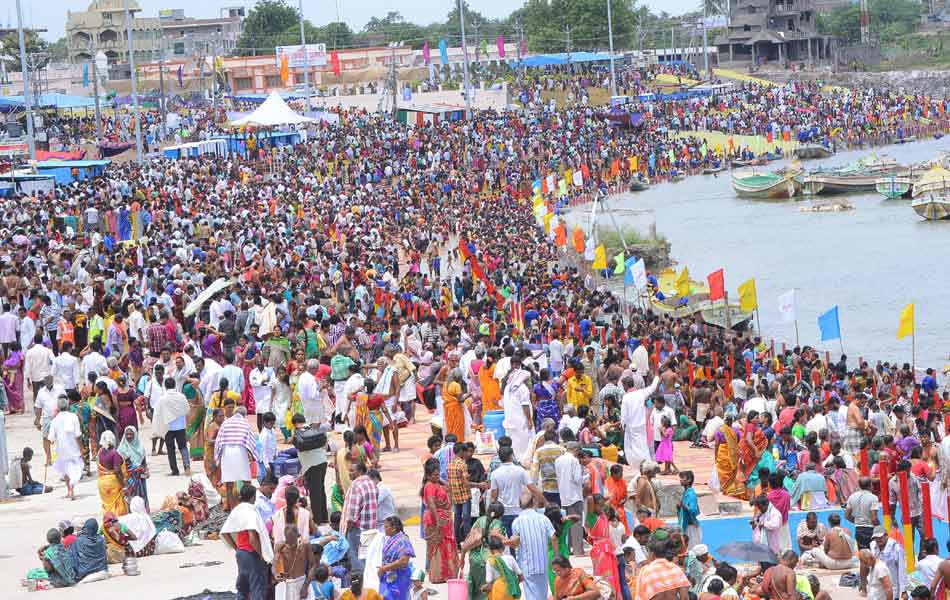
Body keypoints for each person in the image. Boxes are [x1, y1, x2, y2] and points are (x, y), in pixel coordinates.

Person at [220, 484, 274, 600]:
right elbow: (252, 539)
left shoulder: (237, 510)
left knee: (242, 587)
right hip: (251, 554)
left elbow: (224, 532)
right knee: (257, 587)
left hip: (241, 553)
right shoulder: (251, 512)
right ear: (253, 497)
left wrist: (236, 547)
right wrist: (262, 555)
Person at [509, 491, 556, 600]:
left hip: (526, 564)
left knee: (531, 594)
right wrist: (556, 556)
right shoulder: (543, 518)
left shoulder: (517, 522)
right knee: (542, 592)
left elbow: (515, 542)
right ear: (533, 502)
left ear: (520, 505)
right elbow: (553, 537)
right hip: (543, 563)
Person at [420, 457, 459, 584]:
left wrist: (439, 479)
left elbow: (449, 488)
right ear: (428, 475)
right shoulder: (429, 486)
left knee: (447, 545)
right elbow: (431, 504)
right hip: (436, 520)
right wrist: (438, 522)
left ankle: (449, 572)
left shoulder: (437, 483)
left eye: (438, 474)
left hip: (445, 519)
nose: (437, 476)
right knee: (438, 547)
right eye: (435, 475)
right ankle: (439, 575)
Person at [461, 501, 507, 600]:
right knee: (486, 591)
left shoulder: (480, 520)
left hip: (474, 558)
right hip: (487, 559)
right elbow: (496, 541)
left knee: (475, 589)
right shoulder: (497, 523)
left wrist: (463, 557)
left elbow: (469, 538)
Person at [216, 407, 259, 511]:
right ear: (244, 415)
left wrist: (217, 458)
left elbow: (219, 441)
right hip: (240, 453)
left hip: (227, 454)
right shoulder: (245, 424)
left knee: (229, 484)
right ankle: (249, 507)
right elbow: (251, 441)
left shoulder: (225, 423)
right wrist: (254, 456)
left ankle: (232, 509)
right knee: (246, 481)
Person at [490, 445, 538, 536]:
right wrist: (544, 502)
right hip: (518, 511)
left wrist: (491, 515)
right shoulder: (520, 471)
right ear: (511, 456)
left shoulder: (495, 474)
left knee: (507, 541)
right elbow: (533, 489)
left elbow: (494, 496)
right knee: (519, 540)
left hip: (503, 512)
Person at [292, 413, 330, 523]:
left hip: (311, 466)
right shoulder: (314, 429)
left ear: (295, 424)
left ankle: (317, 520)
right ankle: (324, 517)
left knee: (314, 493)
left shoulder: (297, 434)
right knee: (321, 490)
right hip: (322, 462)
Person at [343, 460, 378, 573]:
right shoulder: (371, 483)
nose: (349, 473)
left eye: (352, 471)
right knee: (368, 557)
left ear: (359, 471)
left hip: (357, 529)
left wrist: (345, 532)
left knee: (357, 559)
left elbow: (352, 515)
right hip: (371, 527)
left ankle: (361, 584)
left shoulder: (356, 486)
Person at [47, 395, 83, 500]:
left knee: (66, 469)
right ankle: (71, 489)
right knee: (72, 468)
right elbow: (78, 435)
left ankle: (69, 490)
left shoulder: (55, 420)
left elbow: (51, 438)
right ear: (68, 406)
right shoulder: (73, 416)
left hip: (61, 448)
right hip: (73, 447)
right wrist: (81, 448)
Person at [155, 377, 191, 477]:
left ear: (165, 386)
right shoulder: (181, 396)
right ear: (174, 385)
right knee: (183, 447)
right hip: (180, 426)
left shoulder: (162, 398)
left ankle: (175, 470)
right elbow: (187, 409)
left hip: (168, 427)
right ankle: (187, 466)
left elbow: (158, 414)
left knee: (170, 449)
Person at [555, 442, 585, 557]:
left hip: (563, 495)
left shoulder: (558, 460)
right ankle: (578, 551)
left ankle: (567, 549)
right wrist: (587, 477)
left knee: (566, 524)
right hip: (574, 496)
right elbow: (577, 479)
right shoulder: (574, 460)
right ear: (575, 450)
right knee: (576, 523)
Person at [378, 516, 415, 600]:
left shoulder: (403, 540)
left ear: (394, 528)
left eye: (386, 527)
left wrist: (385, 568)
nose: (384, 529)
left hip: (399, 578)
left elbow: (404, 561)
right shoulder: (390, 539)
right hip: (388, 577)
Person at [273, 523, 314, 600]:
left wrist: (305, 585)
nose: (290, 544)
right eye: (288, 541)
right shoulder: (280, 546)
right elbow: (274, 564)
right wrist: (276, 574)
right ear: (285, 537)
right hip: (287, 584)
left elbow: (312, 566)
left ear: (298, 536)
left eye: (293, 541)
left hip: (302, 582)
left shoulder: (305, 545)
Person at [872, 526, 909, 600]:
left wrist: (904, 590)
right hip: (878, 588)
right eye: (876, 537)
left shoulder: (896, 548)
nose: (878, 539)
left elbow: (902, 570)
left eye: (880, 537)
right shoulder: (873, 546)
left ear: (886, 535)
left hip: (892, 588)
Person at [66, 518, 109, 583]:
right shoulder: (102, 540)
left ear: (86, 528)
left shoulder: (78, 541)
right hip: (102, 569)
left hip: (85, 572)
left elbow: (73, 559)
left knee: (71, 553)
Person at [117, 425, 149, 510]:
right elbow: (118, 466)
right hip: (128, 479)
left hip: (140, 478)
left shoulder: (140, 448)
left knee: (141, 496)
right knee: (130, 498)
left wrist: (146, 471)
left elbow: (144, 463)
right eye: (127, 434)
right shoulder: (121, 449)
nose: (129, 436)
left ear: (135, 435)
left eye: (131, 434)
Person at [97, 430, 129, 515]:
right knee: (117, 505)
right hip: (112, 483)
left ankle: (108, 520)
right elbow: (117, 470)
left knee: (107, 505)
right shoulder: (114, 453)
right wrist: (123, 485)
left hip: (102, 482)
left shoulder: (100, 452)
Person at [846, 476, 881, 550]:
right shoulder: (873, 498)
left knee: (863, 554)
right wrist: (880, 528)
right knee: (874, 553)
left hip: (858, 529)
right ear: (871, 485)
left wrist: (857, 521)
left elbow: (847, 515)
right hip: (870, 529)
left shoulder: (852, 497)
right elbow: (874, 518)